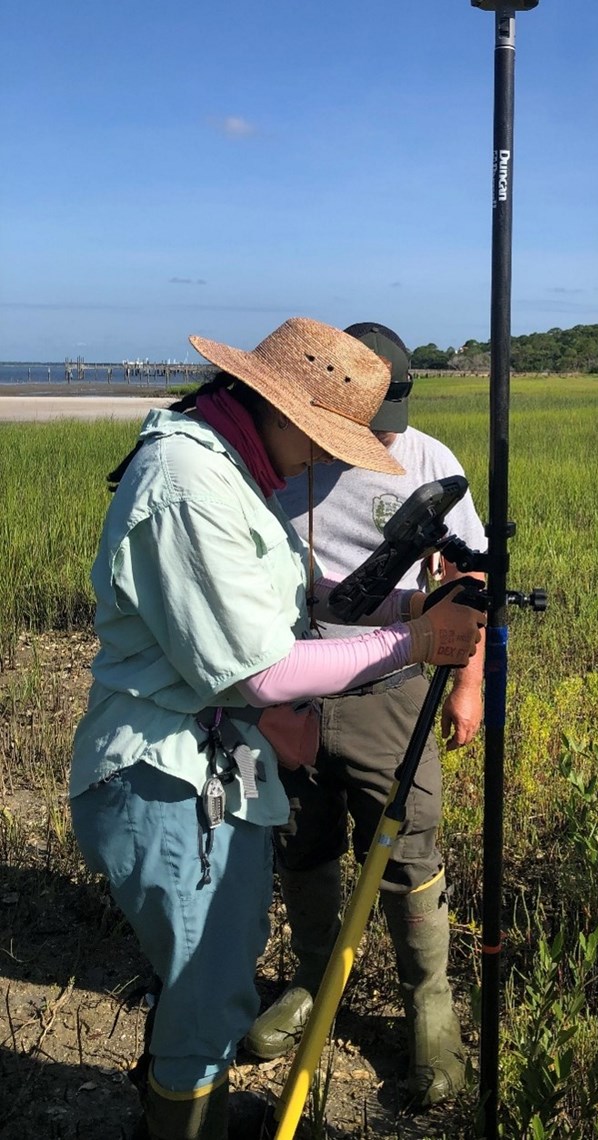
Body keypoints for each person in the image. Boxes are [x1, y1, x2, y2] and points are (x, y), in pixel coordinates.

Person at [69, 318, 486, 1140]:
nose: (325, 461)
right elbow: (256, 670)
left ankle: (202, 1092)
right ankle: (189, 1110)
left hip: (203, 764)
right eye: (326, 442)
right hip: (163, 772)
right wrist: (413, 641)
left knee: (217, 974)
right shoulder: (189, 484)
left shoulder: (223, 464)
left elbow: (298, 594)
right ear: (287, 414)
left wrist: (407, 604)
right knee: (206, 990)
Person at [245, 322, 487, 1110]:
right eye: (367, 426)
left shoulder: (429, 460)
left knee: (409, 849)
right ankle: (315, 985)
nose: (383, 441)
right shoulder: (278, 460)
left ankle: (431, 1009)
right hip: (288, 690)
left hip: (393, 691)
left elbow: (468, 583)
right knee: (302, 843)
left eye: (393, 425)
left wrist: (468, 684)